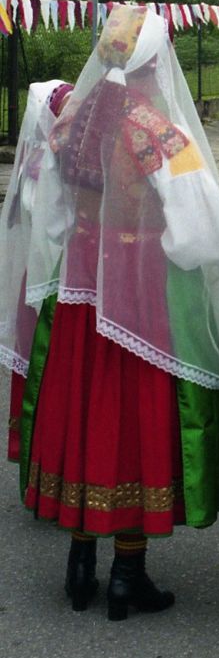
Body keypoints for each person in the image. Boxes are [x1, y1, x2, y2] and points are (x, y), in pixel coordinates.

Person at [20, 5, 219, 619]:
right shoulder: (154, 129)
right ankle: (127, 569)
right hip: (140, 298)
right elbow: (202, 233)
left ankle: (80, 559)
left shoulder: (75, 118)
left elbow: (51, 213)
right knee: (132, 420)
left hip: (80, 293)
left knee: (84, 411)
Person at [1, 80, 73, 462]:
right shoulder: (42, 162)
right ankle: (41, 455)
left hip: (50, 274)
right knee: (45, 365)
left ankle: (43, 456)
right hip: (53, 278)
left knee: (49, 368)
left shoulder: (54, 155)